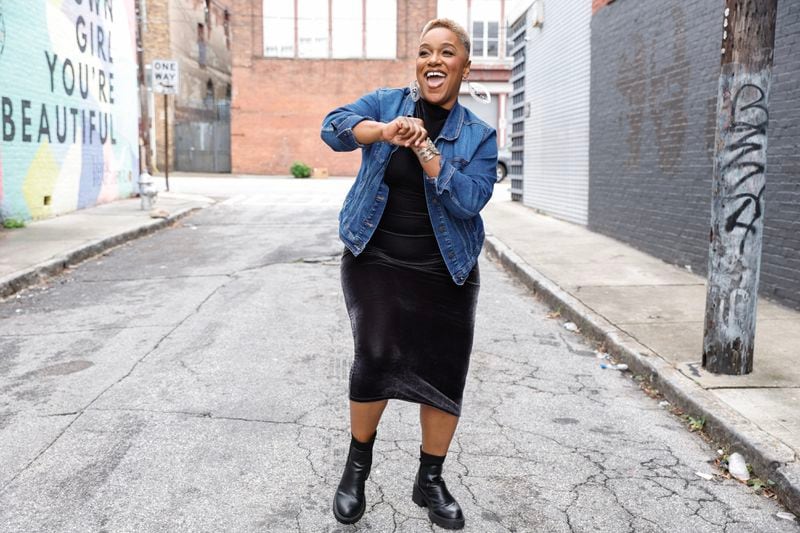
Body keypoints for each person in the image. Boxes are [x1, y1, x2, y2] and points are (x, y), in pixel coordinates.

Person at [320, 18, 497, 530]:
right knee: (374, 353)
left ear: (465, 66)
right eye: (424, 52)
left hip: (447, 268)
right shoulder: (385, 103)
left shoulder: (480, 136)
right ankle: (356, 470)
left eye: (446, 53)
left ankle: (430, 479)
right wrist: (382, 131)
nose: (433, 61)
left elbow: (471, 202)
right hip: (374, 257)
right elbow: (334, 127)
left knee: (444, 374)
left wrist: (425, 152)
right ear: (417, 63)